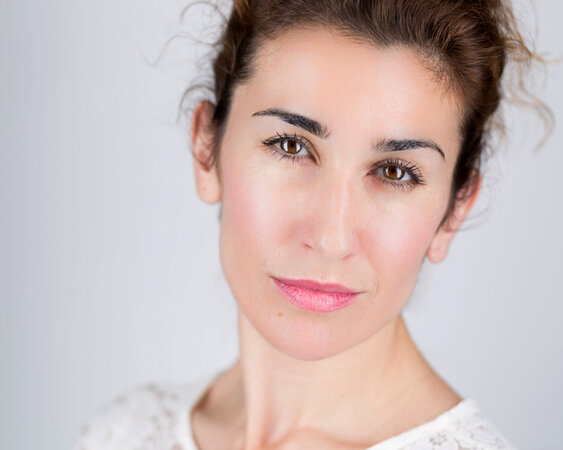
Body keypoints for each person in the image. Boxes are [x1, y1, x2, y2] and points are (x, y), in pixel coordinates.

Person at [75, 0, 547, 448]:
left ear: (454, 210)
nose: (330, 238)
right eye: (291, 146)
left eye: (394, 172)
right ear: (206, 149)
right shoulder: (122, 435)